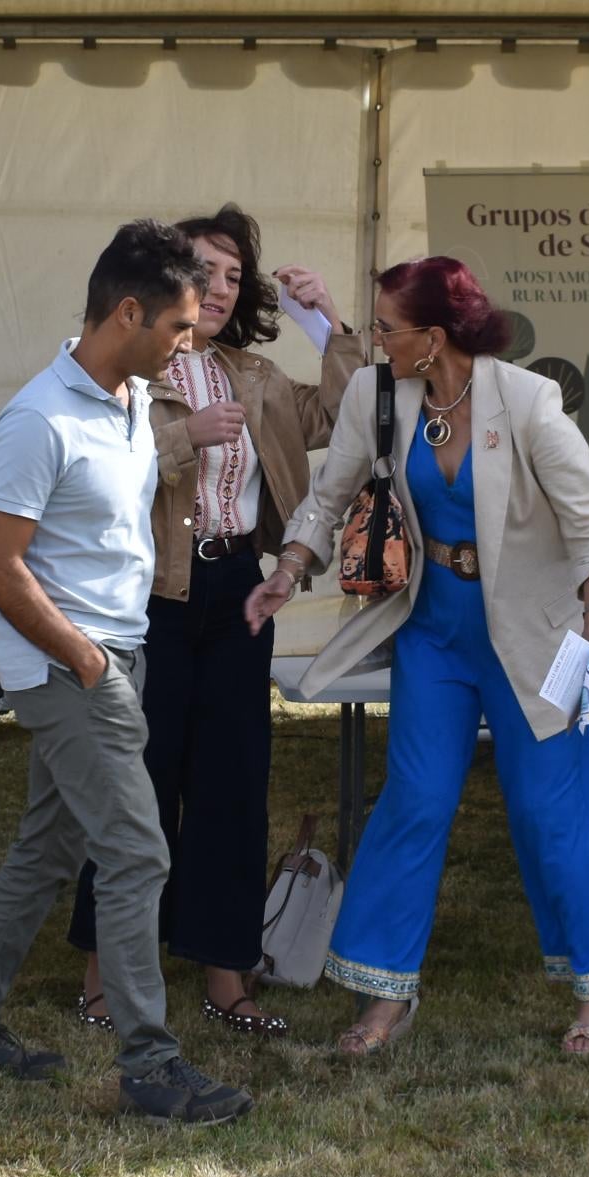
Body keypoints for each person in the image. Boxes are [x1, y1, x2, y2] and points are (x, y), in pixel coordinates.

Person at [246, 256, 589, 1058]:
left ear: (434, 335)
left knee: (552, 808)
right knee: (415, 800)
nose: (375, 338)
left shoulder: (527, 399)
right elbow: (329, 495)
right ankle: (385, 993)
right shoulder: (375, 394)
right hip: (434, 631)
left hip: (535, 632)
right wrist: (289, 569)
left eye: (386, 327)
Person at [0, 220, 255, 1125]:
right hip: (71, 668)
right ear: (128, 313)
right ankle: (151, 1066)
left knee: (48, 850)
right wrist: (84, 659)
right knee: (138, 853)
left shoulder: (134, 401)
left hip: (116, 655)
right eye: (179, 326)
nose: (189, 341)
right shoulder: (39, 419)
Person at [68, 205, 363, 1037]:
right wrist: (183, 440)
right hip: (150, 595)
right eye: (206, 271)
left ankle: (225, 975)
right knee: (140, 784)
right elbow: (87, 473)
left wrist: (329, 325)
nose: (223, 288)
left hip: (237, 590)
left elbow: (346, 419)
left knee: (234, 785)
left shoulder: (255, 374)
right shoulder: (127, 370)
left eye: (236, 275)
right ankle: (103, 974)